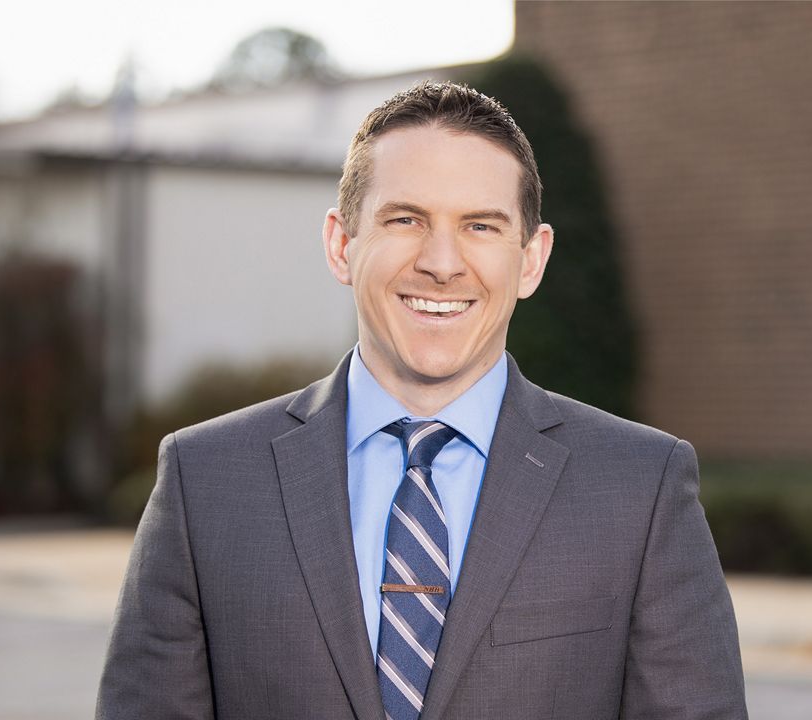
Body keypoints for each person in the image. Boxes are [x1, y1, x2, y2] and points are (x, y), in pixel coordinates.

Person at [97, 81, 747, 720]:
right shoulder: (205, 482)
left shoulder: (640, 488)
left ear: (531, 260)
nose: (441, 262)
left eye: (480, 225)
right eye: (406, 219)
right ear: (341, 244)